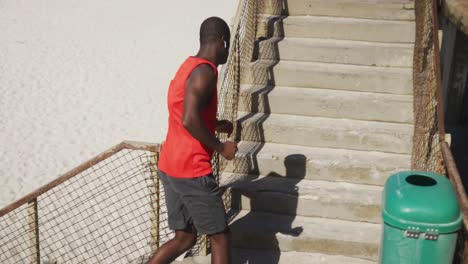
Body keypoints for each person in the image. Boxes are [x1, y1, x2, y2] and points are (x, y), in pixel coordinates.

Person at [147, 17, 237, 264]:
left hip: (170, 165)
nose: (228, 52)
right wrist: (221, 148)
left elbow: (183, 110)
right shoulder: (205, 73)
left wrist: (215, 124)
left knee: (185, 238)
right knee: (220, 237)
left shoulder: (188, 66)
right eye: (227, 45)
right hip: (191, 170)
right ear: (221, 40)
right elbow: (188, 119)